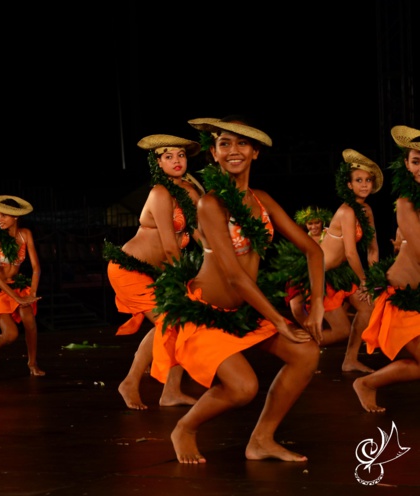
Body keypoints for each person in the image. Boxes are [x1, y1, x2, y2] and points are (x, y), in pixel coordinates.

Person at [153, 116, 324, 463]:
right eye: (225, 144)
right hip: (204, 314)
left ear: (255, 152)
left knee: (307, 354)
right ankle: (184, 428)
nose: (234, 151)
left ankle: (261, 440)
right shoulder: (211, 204)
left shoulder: (261, 201)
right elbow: (233, 276)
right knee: (244, 387)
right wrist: (278, 321)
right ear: (214, 154)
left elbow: (314, 250)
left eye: (242, 144)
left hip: (242, 313)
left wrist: (317, 302)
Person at [102, 133, 203, 410]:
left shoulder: (190, 193)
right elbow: (171, 247)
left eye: (180, 155)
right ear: (158, 162)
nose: (176, 160)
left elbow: (200, 235)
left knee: (177, 323)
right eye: (168, 156)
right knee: (175, 320)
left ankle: (169, 391)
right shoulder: (159, 193)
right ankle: (132, 383)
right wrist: (180, 285)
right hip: (129, 270)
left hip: (157, 272)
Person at [283, 150, 382, 373]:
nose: (364, 185)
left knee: (368, 308)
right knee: (341, 330)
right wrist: (364, 280)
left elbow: (372, 248)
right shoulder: (346, 212)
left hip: (341, 272)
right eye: (359, 180)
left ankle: (350, 360)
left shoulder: (366, 210)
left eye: (368, 180)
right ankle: (294, 349)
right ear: (349, 185)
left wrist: (373, 280)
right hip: (321, 275)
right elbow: (350, 253)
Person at [353, 124, 420, 412]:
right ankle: (366, 384)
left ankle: (368, 384)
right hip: (403, 298)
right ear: (406, 164)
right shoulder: (406, 202)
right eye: (416, 161)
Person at [0, 195, 43, 377]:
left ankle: (32, 363)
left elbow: (36, 268)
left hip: (18, 286)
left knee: (29, 320)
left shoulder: (25, 235)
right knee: (11, 334)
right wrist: (17, 298)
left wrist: (32, 293)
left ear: (15, 217)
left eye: (4, 216)